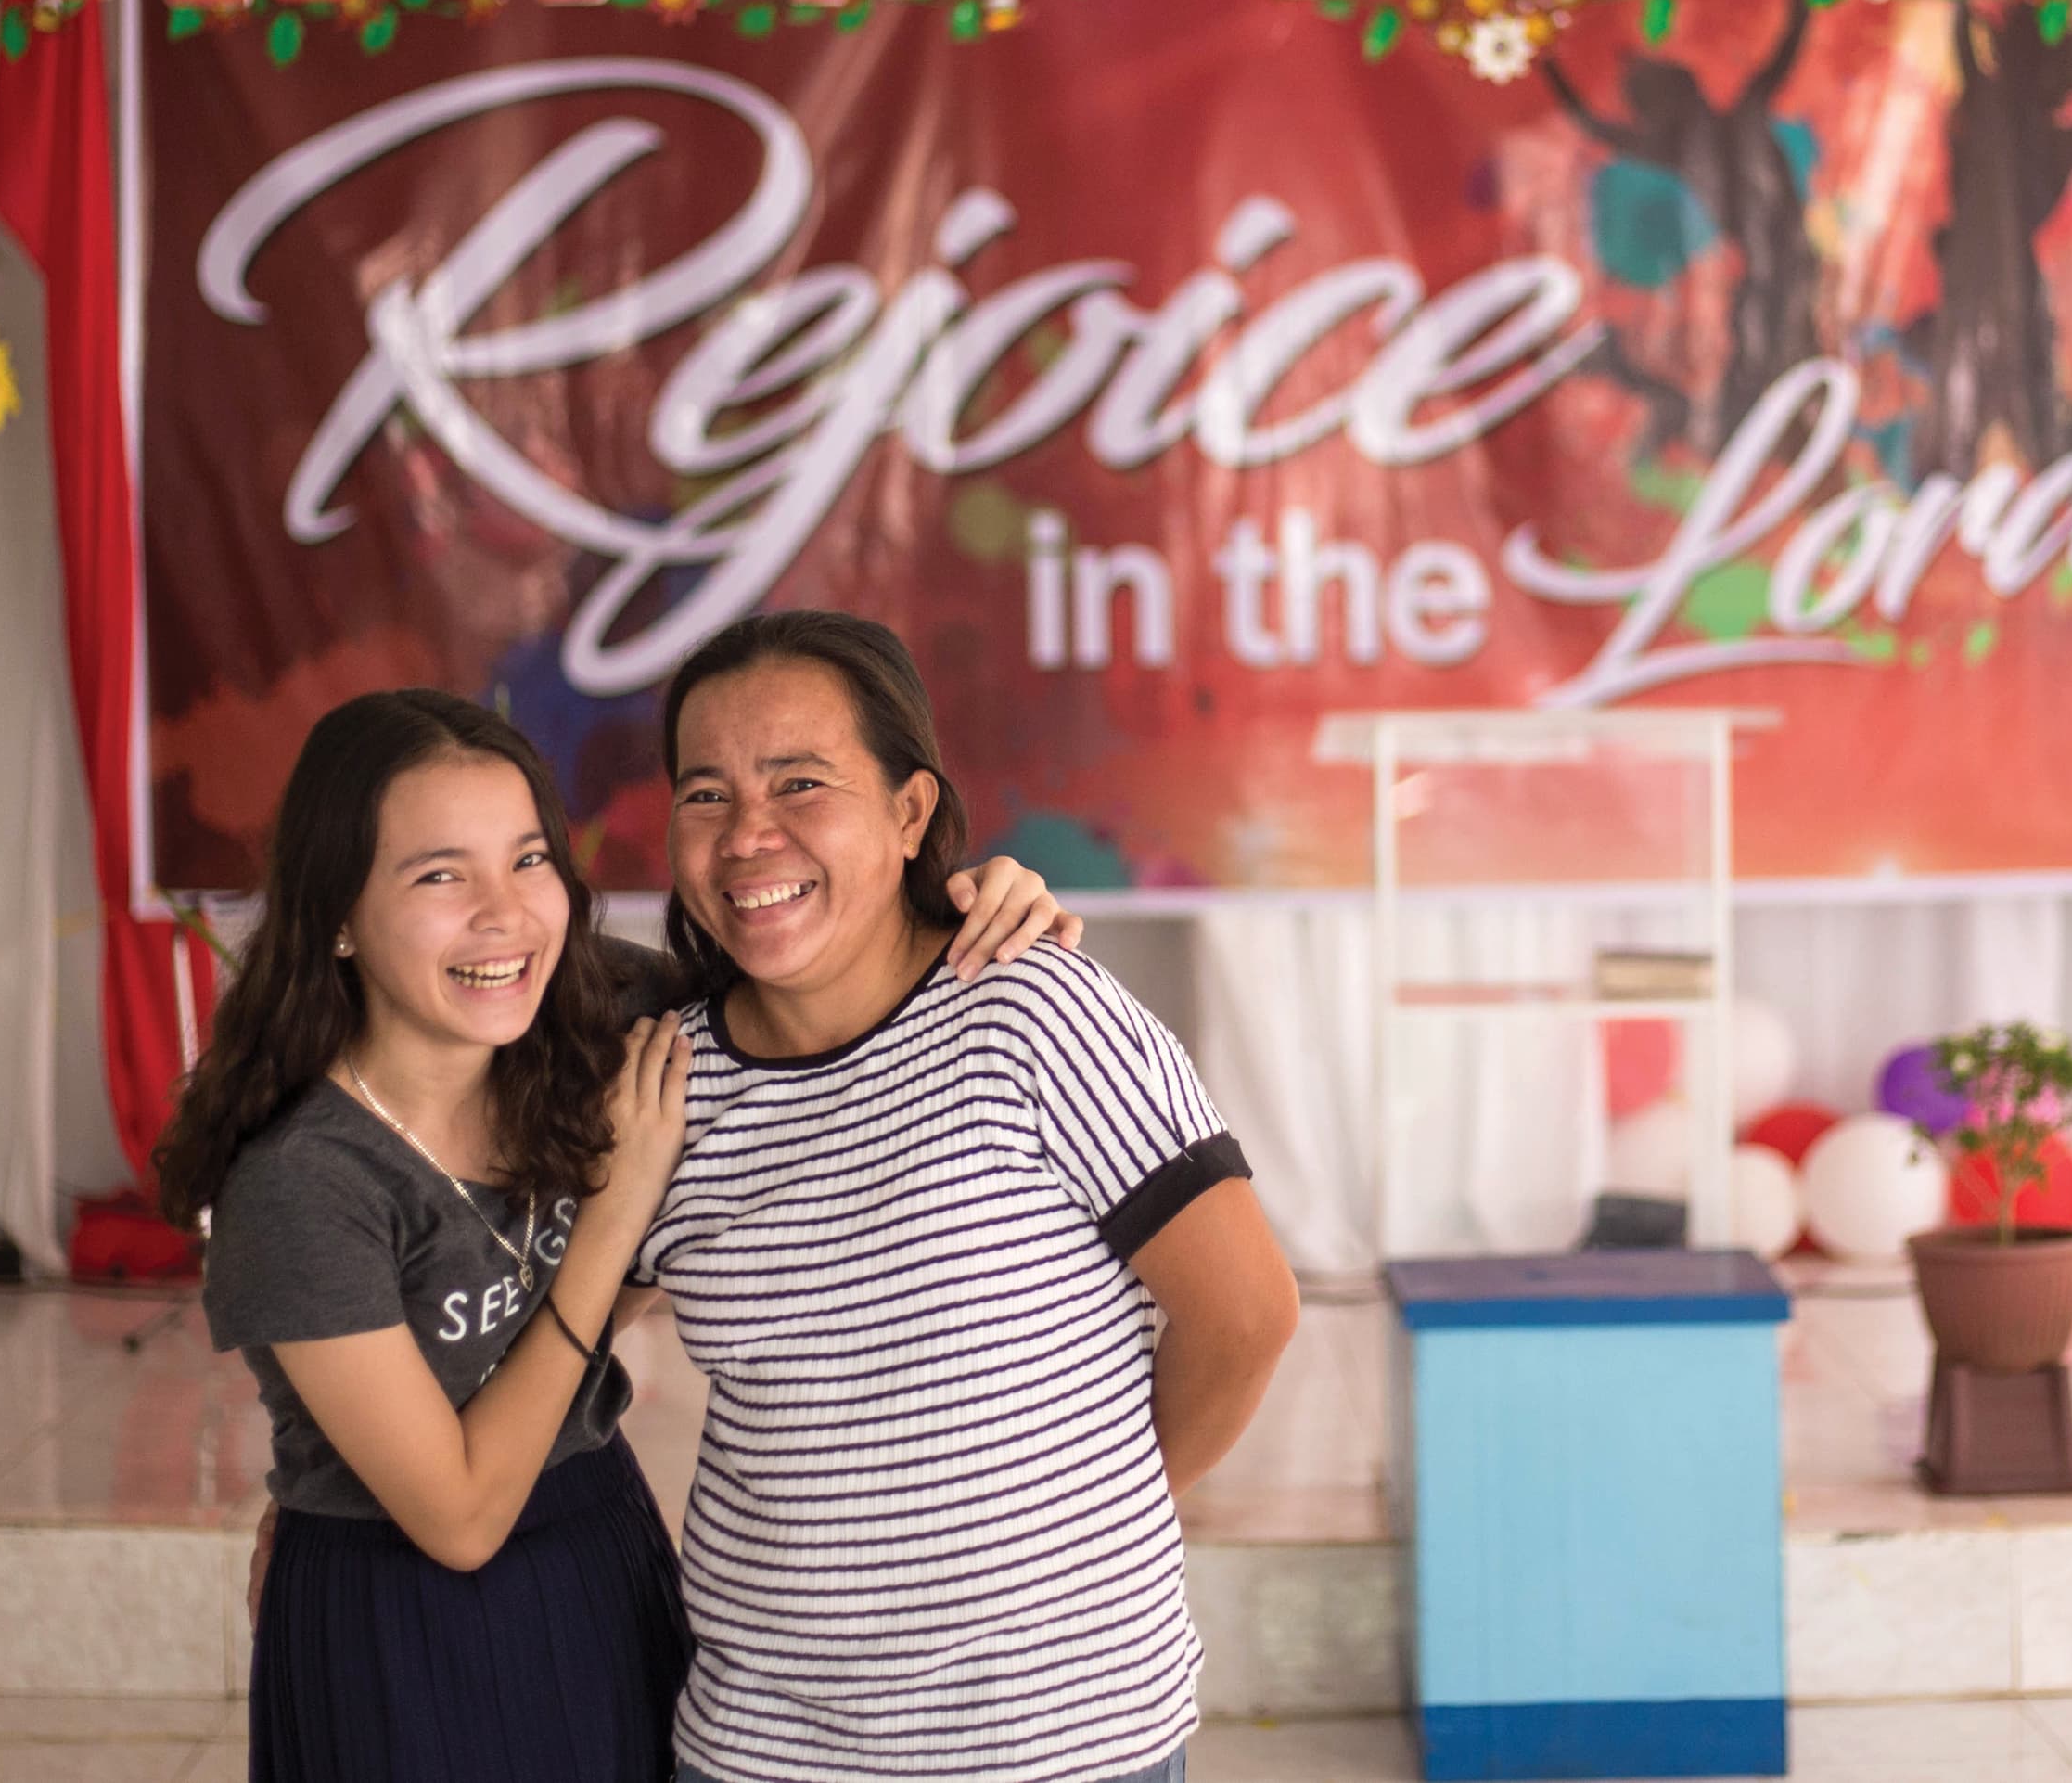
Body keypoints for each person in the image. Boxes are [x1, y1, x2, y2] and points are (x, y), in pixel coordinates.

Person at [159, 687, 1078, 1783]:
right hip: (398, 1612)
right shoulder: (303, 1181)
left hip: (599, 1539)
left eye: (530, 859)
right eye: (440, 873)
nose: (505, 915)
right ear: (339, 911)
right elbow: (456, 1516)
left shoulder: (605, 1013)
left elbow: (829, 965)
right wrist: (617, 1207)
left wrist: (976, 896)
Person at [642, 612, 1300, 1783]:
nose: (749, 834)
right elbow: (551, 1331)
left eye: (801, 781)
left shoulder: (1029, 1011)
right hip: (762, 1742)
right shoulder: (664, 1080)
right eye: (706, 793)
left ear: (907, 811)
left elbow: (1246, 1314)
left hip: (1059, 1740)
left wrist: (1082, 1526)